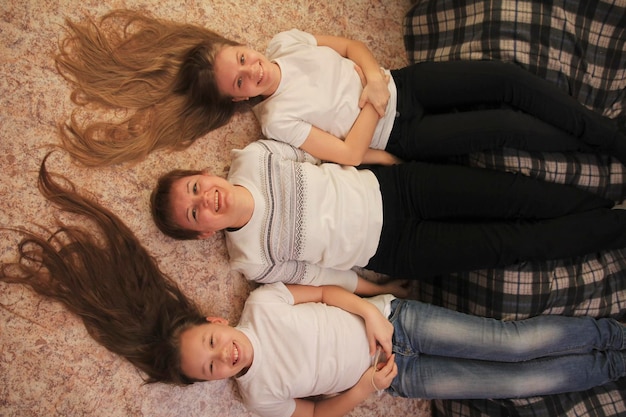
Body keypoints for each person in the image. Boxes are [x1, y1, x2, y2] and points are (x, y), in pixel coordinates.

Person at [3, 157, 625, 417]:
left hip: (395, 324)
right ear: (215, 382)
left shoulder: (261, 303)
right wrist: (364, 387)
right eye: (213, 369)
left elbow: (329, 294)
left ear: (214, 324)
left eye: (211, 344)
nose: (224, 358)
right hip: (395, 378)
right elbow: (321, 414)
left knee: (511, 345)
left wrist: (374, 315)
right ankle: (611, 367)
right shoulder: (258, 398)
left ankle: (608, 336)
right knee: (513, 385)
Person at [56, 9, 626, 167]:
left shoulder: (284, 41)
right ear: (237, 98)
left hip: (404, 84)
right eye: (240, 81)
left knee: (504, 76)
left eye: (241, 58)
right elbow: (352, 155)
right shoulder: (274, 123)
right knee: (503, 127)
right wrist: (369, 106)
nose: (250, 70)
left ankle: (603, 132)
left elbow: (353, 49)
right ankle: (603, 144)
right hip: (403, 128)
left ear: (240, 44)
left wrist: (376, 78)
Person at [152, 139, 626, 293]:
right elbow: (323, 276)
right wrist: (379, 290)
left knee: (512, 195)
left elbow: (327, 156)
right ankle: (617, 226)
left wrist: (383, 159)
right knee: (512, 244)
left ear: (203, 172)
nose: (206, 200)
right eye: (195, 213)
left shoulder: (255, 156)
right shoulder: (251, 258)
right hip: (398, 250)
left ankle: (603, 204)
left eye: (196, 188)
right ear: (201, 234)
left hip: (396, 188)